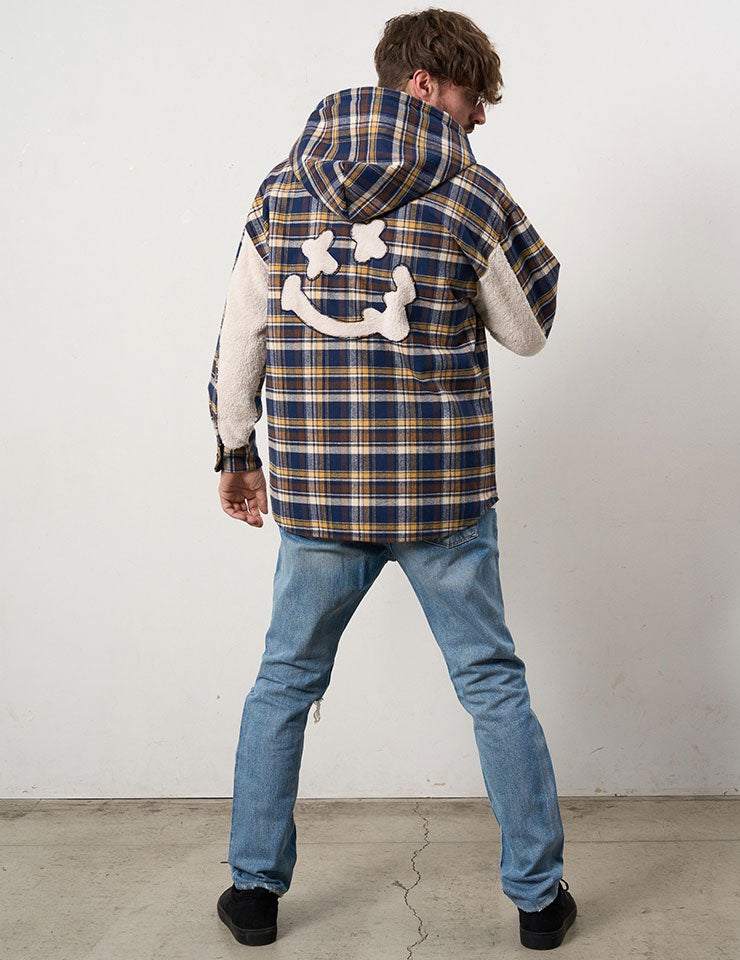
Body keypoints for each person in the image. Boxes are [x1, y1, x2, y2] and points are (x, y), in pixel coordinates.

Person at [208, 7, 577, 951]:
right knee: (490, 683)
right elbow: (529, 331)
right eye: (472, 95)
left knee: (284, 683)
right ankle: (540, 902)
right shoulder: (472, 192)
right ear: (423, 84)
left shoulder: (282, 189)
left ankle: (253, 894)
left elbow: (242, 334)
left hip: (322, 494)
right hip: (439, 497)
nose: (480, 116)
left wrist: (236, 450)